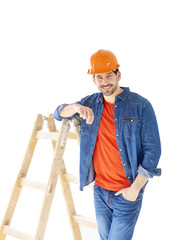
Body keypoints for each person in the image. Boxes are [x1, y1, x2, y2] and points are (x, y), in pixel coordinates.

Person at [53, 49, 161, 240]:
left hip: (126, 193)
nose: (105, 82)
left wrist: (134, 190)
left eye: (109, 76)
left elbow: (153, 152)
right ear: (94, 79)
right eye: (99, 77)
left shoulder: (141, 105)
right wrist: (76, 107)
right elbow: (58, 113)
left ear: (118, 75)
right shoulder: (89, 104)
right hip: (100, 192)